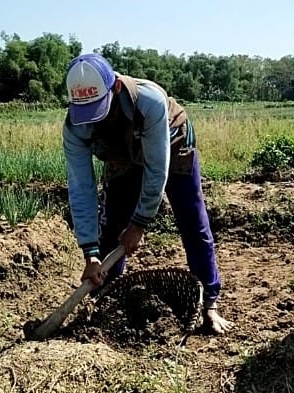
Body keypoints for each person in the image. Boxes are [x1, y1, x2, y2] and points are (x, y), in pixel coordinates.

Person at [61, 53, 233, 334]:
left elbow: (156, 171)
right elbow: (81, 188)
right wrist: (90, 253)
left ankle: (209, 303)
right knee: (113, 224)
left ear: (114, 87)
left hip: (172, 143)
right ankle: (106, 300)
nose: (91, 118)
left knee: (193, 221)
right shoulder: (74, 127)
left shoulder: (149, 102)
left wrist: (139, 224)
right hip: (121, 157)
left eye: (98, 108)